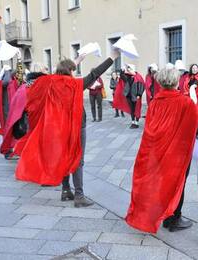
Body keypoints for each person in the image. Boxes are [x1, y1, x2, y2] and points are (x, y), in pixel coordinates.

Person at [15, 50, 120, 208]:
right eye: (73, 69)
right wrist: (112, 57)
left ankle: (65, 190)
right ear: (70, 71)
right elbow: (95, 74)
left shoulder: (50, 82)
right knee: (78, 158)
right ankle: (79, 195)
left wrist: (77, 59)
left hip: (58, 127)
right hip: (77, 126)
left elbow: (52, 74)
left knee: (64, 156)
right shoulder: (74, 84)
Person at [126, 67, 198, 233]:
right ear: (176, 82)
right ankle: (175, 218)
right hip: (178, 152)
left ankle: (165, 215)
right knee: (178, 182)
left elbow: (150, 128)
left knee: (162, 183)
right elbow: (193, 127)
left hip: (157, 150)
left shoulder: (155, 102)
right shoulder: (185, 102)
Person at [0, 63, 48, 157]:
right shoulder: (44, 84)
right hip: (40, 119)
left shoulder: (24, 86)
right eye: (45, 69)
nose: (47, 71)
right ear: (41, 71)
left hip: (30, 119)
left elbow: (17, 104)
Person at [0, 61, 24, 160]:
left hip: (10, 111)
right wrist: (6, 70)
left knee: (13, 132)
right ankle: (8, 152)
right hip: (7, 112)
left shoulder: (11, 83)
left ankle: (12, 150)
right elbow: (7, 80)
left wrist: (19, 61)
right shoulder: (3, 83)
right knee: (8, 132)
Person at [112, 64, 145, 129]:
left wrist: (139, 94)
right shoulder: (127, 76)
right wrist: (122, 70)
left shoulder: (138, 76)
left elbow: (141, 85)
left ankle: (137, 122)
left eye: (129, 68)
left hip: (136, 96)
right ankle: (133, 122)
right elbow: (122, 76)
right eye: (128, 68)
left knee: (137, 109)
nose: (128, 69)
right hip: (129, 96)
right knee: (132, 109)